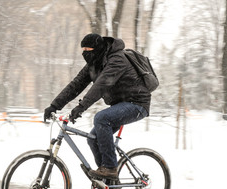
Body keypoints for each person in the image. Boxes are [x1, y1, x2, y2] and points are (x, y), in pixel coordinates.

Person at [44, 33, 151, 180]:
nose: (85, 54)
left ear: (98, 48)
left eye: (88, 50)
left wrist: (81, 107)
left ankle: (110, 168)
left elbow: (101, 85)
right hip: (121, 104)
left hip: (137, 103)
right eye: (83, 51)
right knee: (93, 138)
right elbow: (75, 85)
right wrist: (54, 106)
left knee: (101, 118)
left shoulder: (117, 59)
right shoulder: (94, 63)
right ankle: (106, 180)